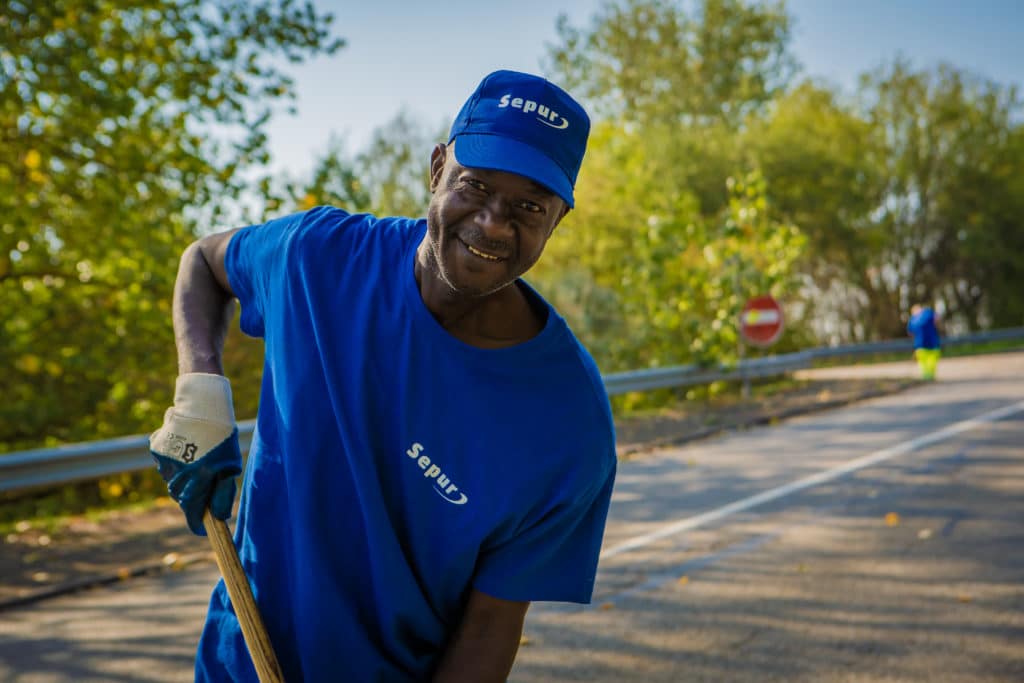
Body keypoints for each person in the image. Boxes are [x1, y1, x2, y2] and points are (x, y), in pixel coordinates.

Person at [148, 70, 617, 682]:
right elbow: (203, 264)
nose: (495, 224)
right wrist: (199, 391)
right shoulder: (317, 258)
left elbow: (490, 628)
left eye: (529, 206)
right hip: (237, 665)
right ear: (436, 169)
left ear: (558, 220)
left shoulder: (568, 425)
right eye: (474, 185)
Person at [907, 303, 941, 380]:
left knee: (924, 363)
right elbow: (937, 318)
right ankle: (930, 377)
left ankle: (927, 377)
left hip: (920, 345)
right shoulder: (928, 313)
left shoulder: (912, 320)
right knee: (931, 362)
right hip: (932, 344)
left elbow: (910, 333)